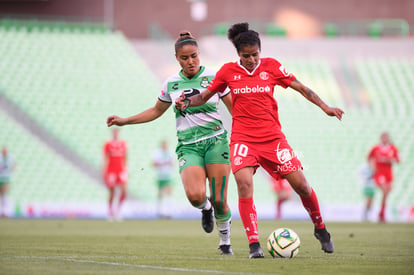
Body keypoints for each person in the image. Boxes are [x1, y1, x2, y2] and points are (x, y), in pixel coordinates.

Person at [176, 22, 344, 258]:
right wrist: (187, 102)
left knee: (302, 186)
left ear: (260, 51)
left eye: (255, 54)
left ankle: (321, 229)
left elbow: (301, 88)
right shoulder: (227, 72)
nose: (252, 59)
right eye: (246, 56)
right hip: (243, 139)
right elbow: (204, 96)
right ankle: (254, 244)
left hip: (273, 139)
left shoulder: (272, 67)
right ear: (239, 55)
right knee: (244, 185)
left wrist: (325, 107)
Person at [106, 31, 234, 255]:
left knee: (220, 199)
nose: (191, 61)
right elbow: (156, 110)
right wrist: (125, 121)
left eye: (194, 56)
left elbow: (235, 109)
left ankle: (225, 243)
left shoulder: (214, 78)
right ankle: (205, 209)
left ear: (199, 54)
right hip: (189, 145)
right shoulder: (171, 84)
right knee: (195, 196)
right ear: (177, 58)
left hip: (216, 142)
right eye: (185, 58)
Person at [367, 132, 400, 222]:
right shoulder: (376, 148)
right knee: (385, 190)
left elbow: (398, 160)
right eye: (383, 137)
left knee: (386, 193)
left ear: (388, 138)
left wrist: (391, 160)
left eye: (386, 137)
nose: (384, 139)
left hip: (388, 174)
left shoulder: (393, 148)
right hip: (379, 173)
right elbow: (369, 158)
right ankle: (381, 213)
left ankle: (381, 213)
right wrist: (372, 167)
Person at [103, 128, 128, 221]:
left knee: (124, 191)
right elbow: (105, 158)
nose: (115, 133)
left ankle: (118, 211)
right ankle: (110, 212)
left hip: (121, 170)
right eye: (114, 132)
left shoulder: (123, 143)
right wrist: (104, 171)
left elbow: (125, 157)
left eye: (117, 132)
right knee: (112, 191)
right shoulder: (107, 144)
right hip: (111, 170)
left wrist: (126, 169)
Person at [152, 139, 175, 219]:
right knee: (160, 194)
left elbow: (173, 164)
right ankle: (159, 212)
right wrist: (162, 163)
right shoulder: (157, 153)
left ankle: (168, 212)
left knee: (168, 192)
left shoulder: (170, 153)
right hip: (160, 176)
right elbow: (154, 164)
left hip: (167, 176)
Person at [0, 146, 15, 218]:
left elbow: (13, 167)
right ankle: (2, 211)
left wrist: (11, 169)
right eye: (3, 151)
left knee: (4, 195)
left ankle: (5, 212)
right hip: (0, 178)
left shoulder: (10, 158)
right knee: (2, 195)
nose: (4, 152)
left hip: (6, 178)